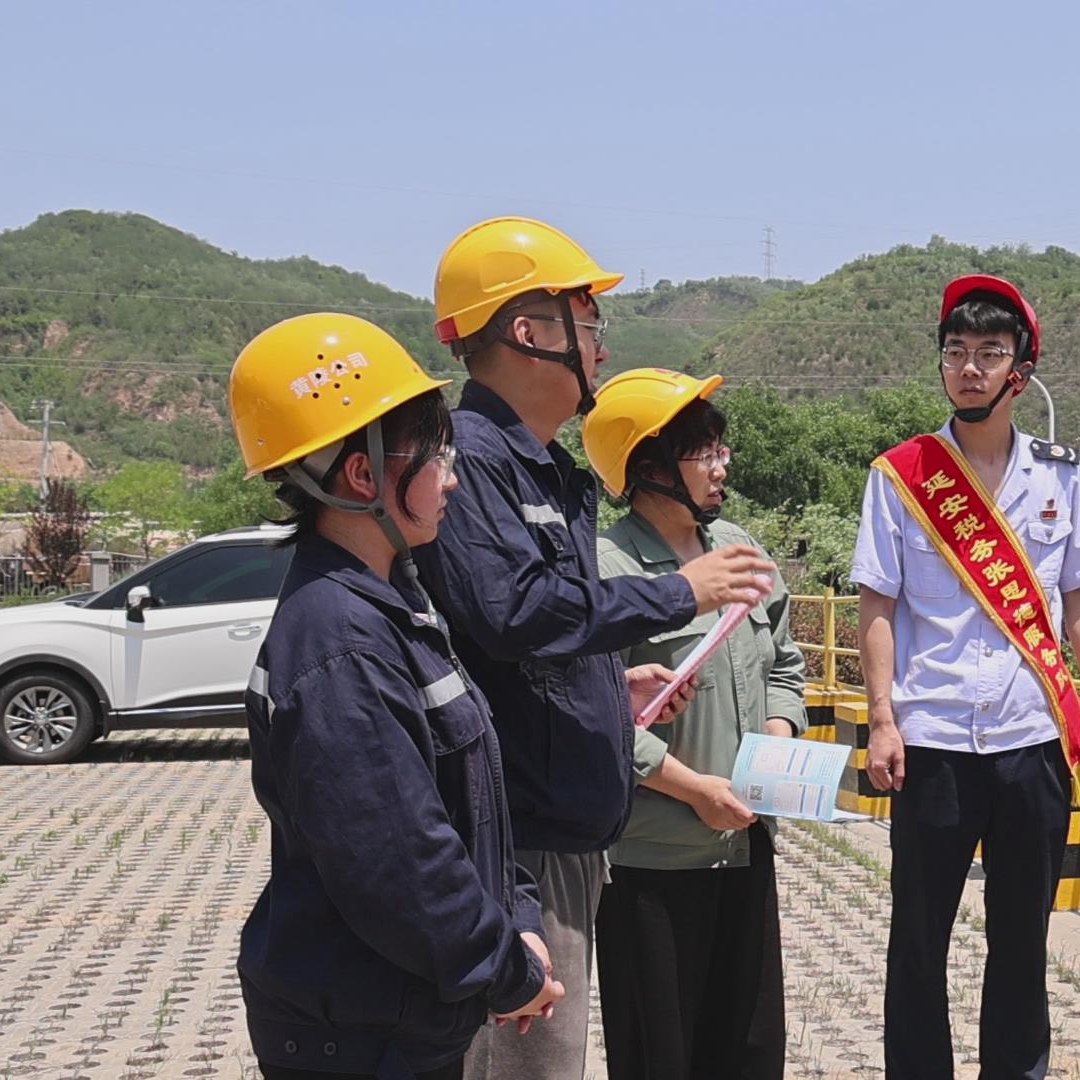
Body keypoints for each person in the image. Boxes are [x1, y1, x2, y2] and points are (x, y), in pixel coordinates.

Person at [417, 216, 775, 1080]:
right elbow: (511, 613)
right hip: (521, 838)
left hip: (563, 830)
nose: (601, 347)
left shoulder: (538, 468)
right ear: (528, 332)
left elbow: (537, 639)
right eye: (588, 322)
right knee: (523, 1066)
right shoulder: (476, 461)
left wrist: (610, 687)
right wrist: (679, 593)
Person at [229, 313, 563, 1080]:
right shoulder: (339, 642)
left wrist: (518, 915)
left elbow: (468, 796)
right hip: (362, 1039)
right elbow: (401, 864)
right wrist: (507, 969)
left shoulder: (391, 604)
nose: (452, 478)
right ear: (362, 476)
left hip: (401, 1021)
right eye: (437, 456)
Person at [851, 274, 1080, 1079]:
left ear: (1020, 373)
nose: (969, 368)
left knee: (1022, 939)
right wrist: (881, 719)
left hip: (1031, 739)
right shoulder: (901, 475)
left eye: (989, 353)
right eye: (955, 352)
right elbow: (877, 602)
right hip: (931, 737)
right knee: (917, 938)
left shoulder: (1061, 476)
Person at [582, 367, 807, 1079]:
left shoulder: (737, 546)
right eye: (702, 452)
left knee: (747, 1049)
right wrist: (695, 790)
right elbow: (593, 711)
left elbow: (785, 665)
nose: (721, 466)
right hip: (652, 862)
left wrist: (777, 741)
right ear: (648, 466)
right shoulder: (606, 569)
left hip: (745, 845)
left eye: (720, 448)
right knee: (662, 1056)